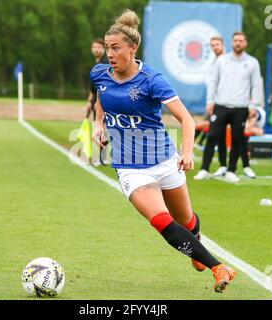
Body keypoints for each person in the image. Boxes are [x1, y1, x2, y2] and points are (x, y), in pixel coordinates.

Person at [90, 9, 236, 293]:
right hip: (131, 168)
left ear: (133, 49)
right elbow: (101, 96)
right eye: (107, 47)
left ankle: (196, 246)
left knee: (187, 220)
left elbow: (186, 119)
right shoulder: (100, 74)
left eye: (115, 48)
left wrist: (187, 152)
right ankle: (219, 267)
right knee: (161, 220)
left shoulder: (152, 80)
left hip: (165, 160)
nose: (109, 53)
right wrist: (98, 124)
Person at [195, 32, 262, 183]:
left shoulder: (252, 62)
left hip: (241, 107)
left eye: (241, 41)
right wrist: (210, 101)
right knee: (212, 136)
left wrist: (253, 106)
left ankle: (231, 170)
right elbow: (213, 82)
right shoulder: (222, 61)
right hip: (221, 105)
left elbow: (256, 86)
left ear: (245, 43)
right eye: (236, 40)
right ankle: (204, 169)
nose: (238, 43)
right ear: (232, 43)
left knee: (237, 138)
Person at [193, 36, 228, 179]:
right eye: (212, 45)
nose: (215, 47)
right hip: (217, 104)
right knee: (215, 134)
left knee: (220, 136)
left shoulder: (229, 61)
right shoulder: (212, 63)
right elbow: (211, 84)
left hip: (230, 104)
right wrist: (211, 101)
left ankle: (223, 167)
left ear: (223, 45)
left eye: (217, 45)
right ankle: (209, 167)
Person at [85, 38, 109, 120]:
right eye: (94, 47)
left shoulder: (106, 63)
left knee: (102, 127)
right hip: (95, 99)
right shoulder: (96, 64)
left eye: (98, 47)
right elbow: (93, 86)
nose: (96, 49)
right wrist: (89, 101)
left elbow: (104, 85)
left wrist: (99, 103)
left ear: (104, 48)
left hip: (102, 101)